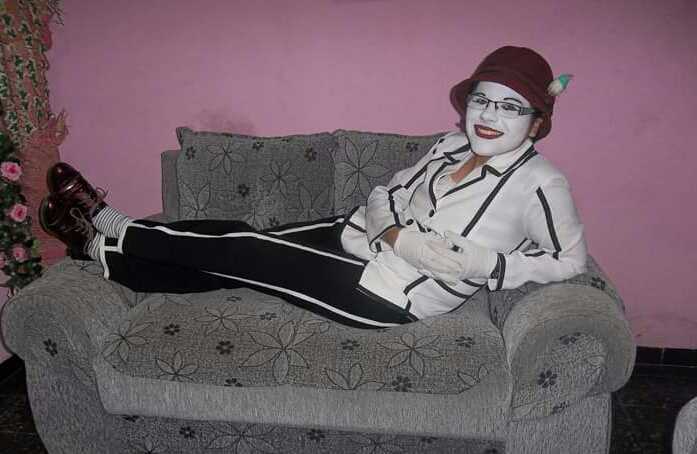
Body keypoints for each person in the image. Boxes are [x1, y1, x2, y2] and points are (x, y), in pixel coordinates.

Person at [39, 46, 586, 329]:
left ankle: (111, 226)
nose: (490, 116)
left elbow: (569, 261)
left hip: (387, 293)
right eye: (482, 100)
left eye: (511, 106)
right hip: (358, 234)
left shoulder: (541, 183)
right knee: (237, 245)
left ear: (537, 122)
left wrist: (485, 264)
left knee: (246, 252)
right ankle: (101, 253)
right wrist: (392, 231)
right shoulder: (449, 145)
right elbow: (385, 192)